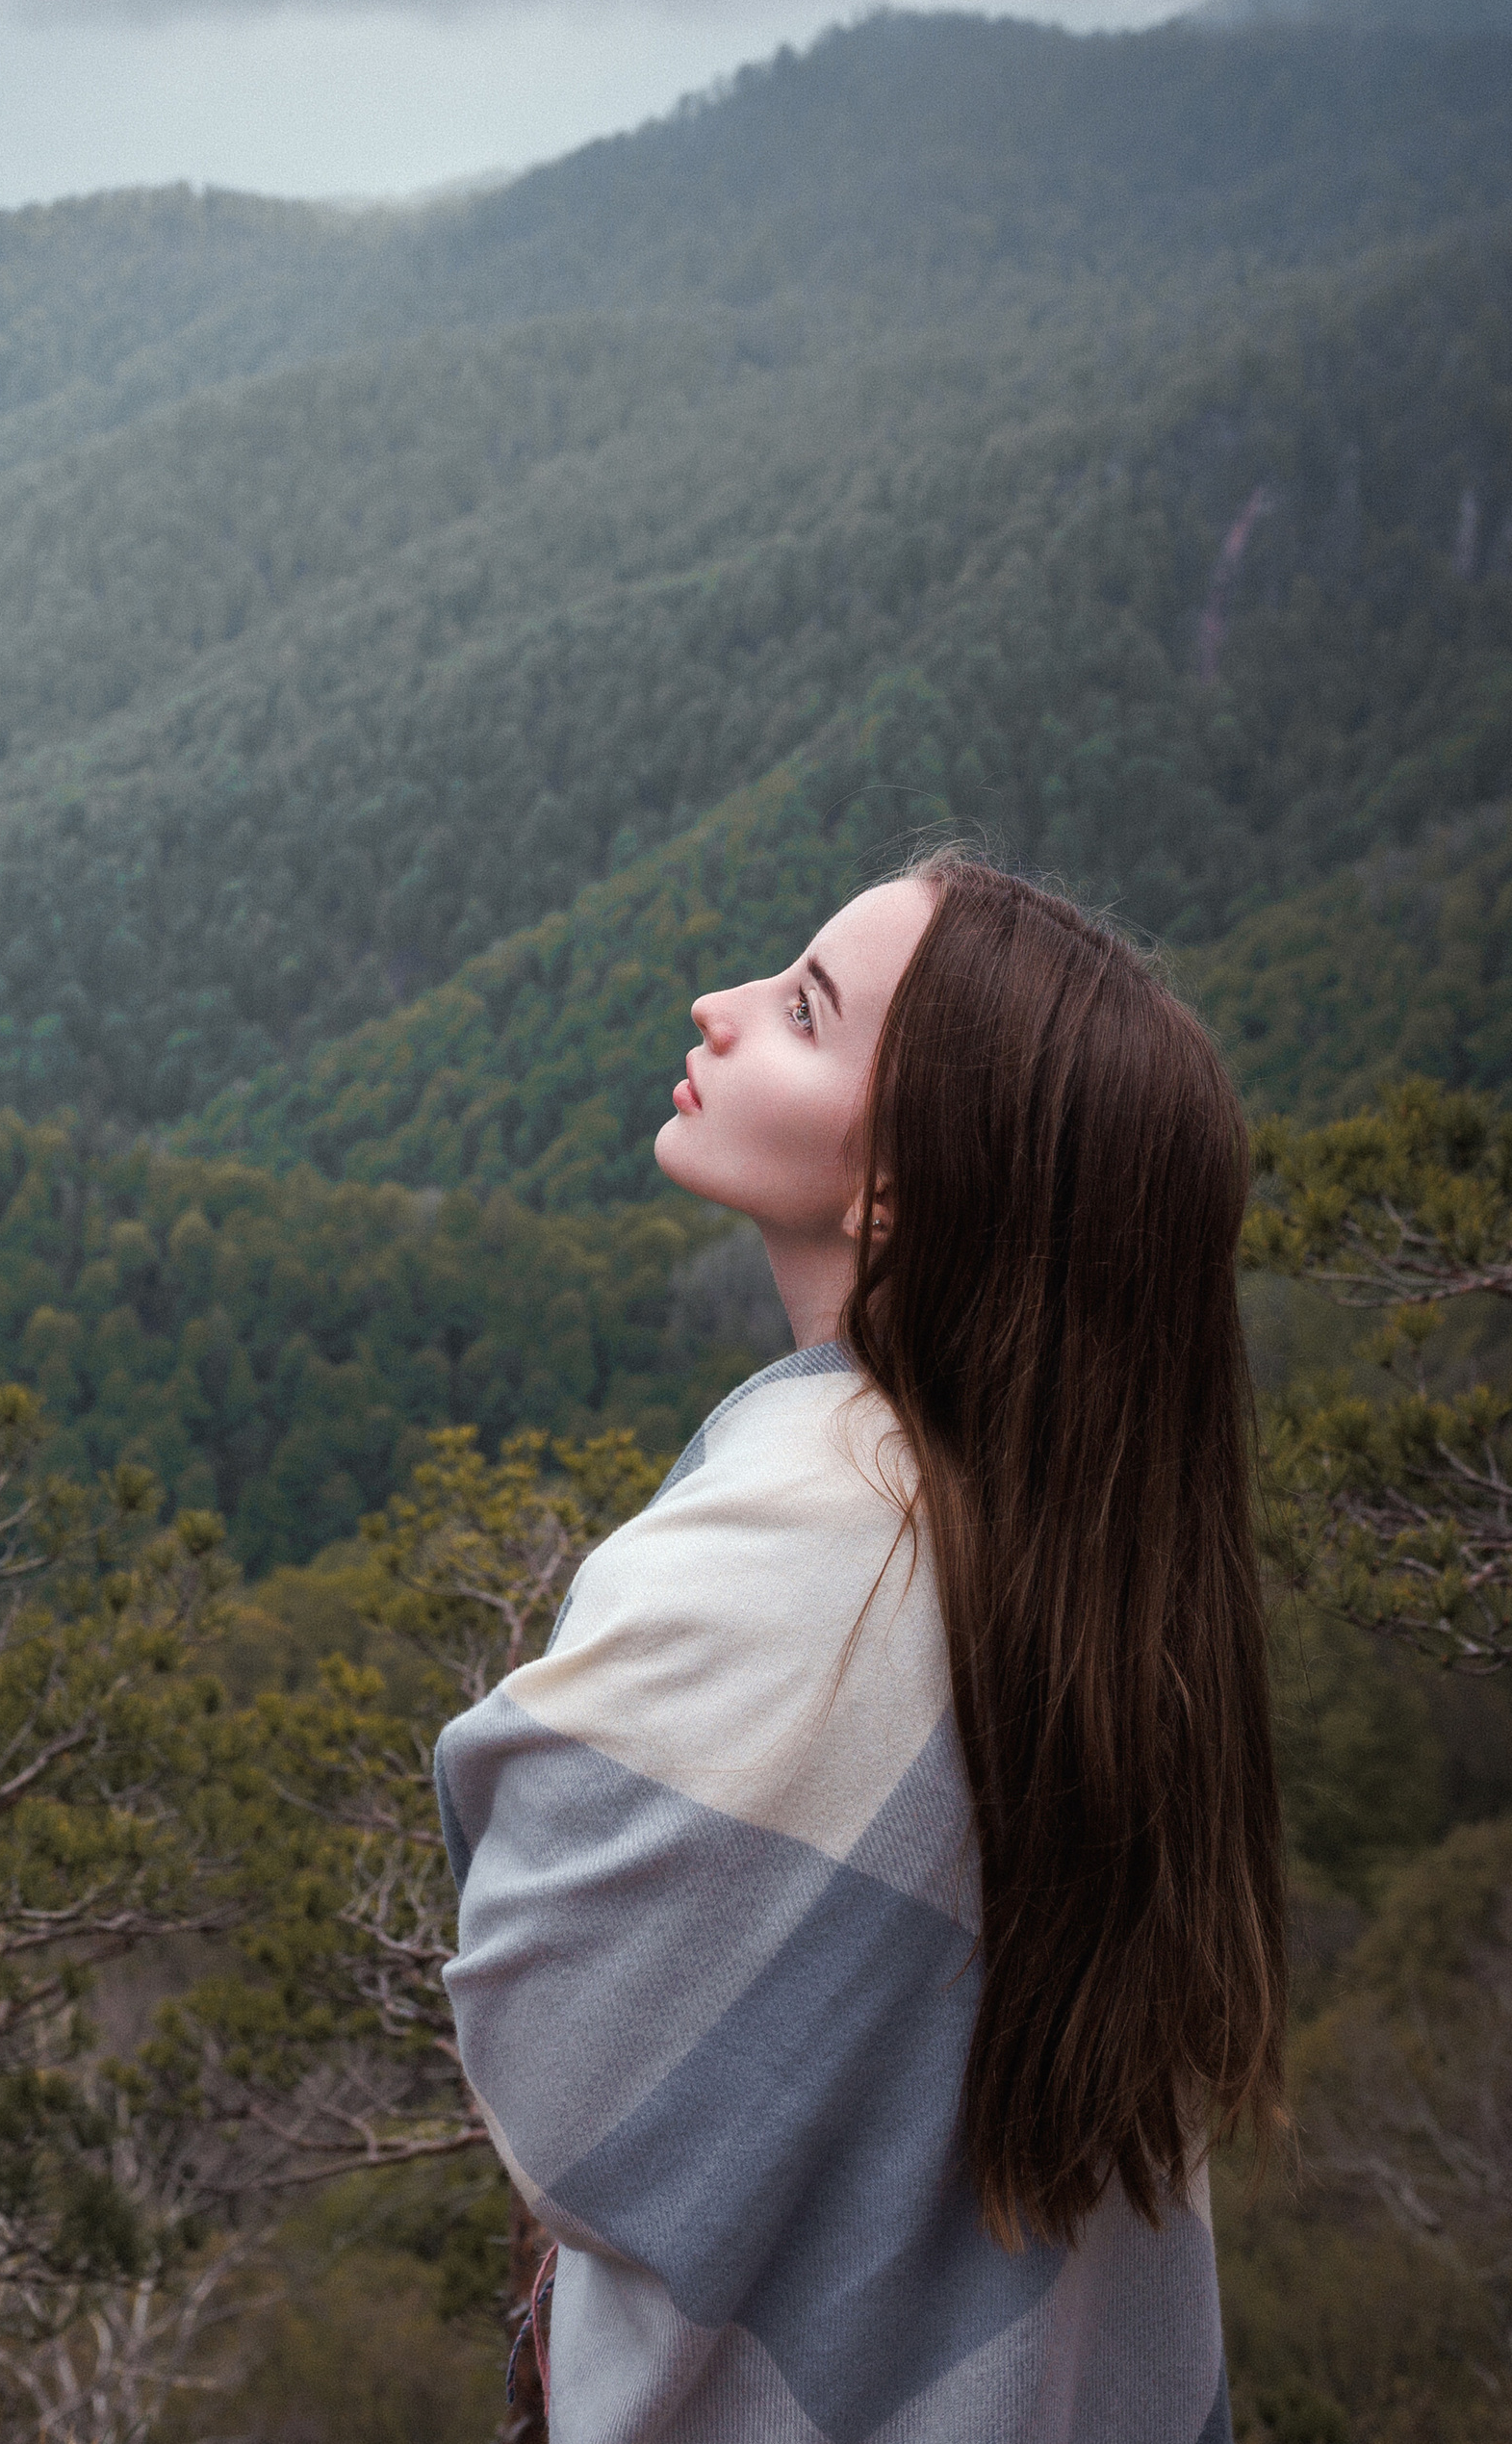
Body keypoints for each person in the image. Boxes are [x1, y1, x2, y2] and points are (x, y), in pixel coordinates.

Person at [434, 853, 1284, 2443]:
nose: (723, 1006)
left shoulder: (770, 1560)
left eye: (805, 1009)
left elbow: (561, 2060)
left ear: (899, 1190)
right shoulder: (1093, 1564)